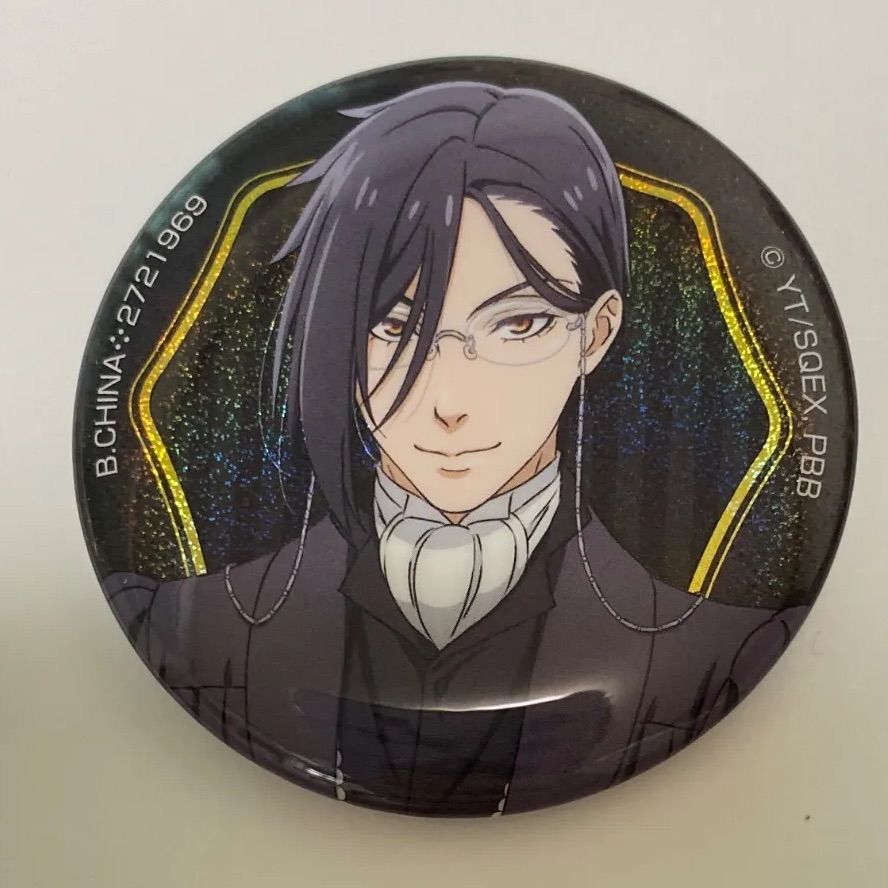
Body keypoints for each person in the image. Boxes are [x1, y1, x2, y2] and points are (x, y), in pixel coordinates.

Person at [103, 82, 805, 816]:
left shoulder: (720, 654)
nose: (449, 404)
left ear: (596, 333)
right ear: (336, 334)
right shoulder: (188, 622)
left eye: (519, 325)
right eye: (393, 326)